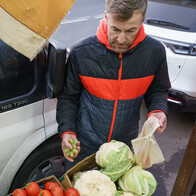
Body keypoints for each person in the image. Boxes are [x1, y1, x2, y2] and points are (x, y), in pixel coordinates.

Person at [56, 0, 171, 169]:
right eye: (115, 29)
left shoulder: (155, 52)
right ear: (106, 17)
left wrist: (158, 110)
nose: (121, 39)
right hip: (84, 146)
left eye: (131, 30)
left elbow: (158, 90)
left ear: (143, 19)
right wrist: (67, 131)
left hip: (123, 147)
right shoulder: (81, 52)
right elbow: (68, 98)